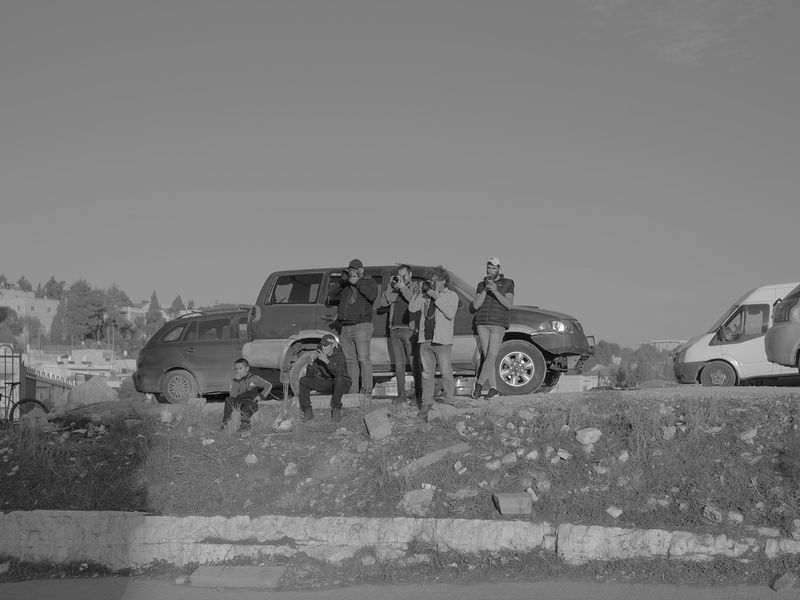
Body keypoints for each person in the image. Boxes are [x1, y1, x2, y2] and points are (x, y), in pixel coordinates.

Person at [409, 266, 459, 421]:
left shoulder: (451, 295)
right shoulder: (426, 295)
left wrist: (436, 296)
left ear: (444, 281)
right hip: (425, 340)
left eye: (435, 280)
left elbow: (450, 314)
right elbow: (412, 308)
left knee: (446, 371)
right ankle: (426, 404)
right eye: (430, 280)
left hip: (442, 340)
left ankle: (449, 400)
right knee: (427, 375)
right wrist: (419, 293)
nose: (432, 283)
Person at [331, 258, 378, 398]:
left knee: (363, 358)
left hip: (362, 325)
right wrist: (342, 281)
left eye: (355, 269)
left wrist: (357, 282)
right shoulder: (345, 286)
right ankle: (353, 393)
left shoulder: (369, 281)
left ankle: (366, 392)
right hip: (345, 327)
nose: (353, 271)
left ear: (361, 270)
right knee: (350, 362)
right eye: (350, 269)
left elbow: (372, 296)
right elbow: (331, 294)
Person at [471, 256, 515, 400]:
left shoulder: (508, 283)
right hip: (482, 323)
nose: (490, 270)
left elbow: (508, 305)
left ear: (499, 269)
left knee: (491, 355)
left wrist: (496, 291)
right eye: (488, 268)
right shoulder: (480, 284)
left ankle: (479, 384)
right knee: (487, 356)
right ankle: (494, 388)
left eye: (493, 268)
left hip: (498, 324)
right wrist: (485, 289)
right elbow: (476, 305)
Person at [377, 264, 421, 405]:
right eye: (399, 276)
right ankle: (401, 395)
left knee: (414, 363)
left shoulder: (415, 287)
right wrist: (391, 286)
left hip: (409, 329)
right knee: (399, 365)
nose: (402, 278)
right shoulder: (395, 288)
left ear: (410, 274)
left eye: (404, 275)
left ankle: (419, 395)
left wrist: (403, 287)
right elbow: (383, 302)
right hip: (394, 330)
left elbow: (415, 301)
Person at [298, 333, 351, 423]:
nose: (323, 347)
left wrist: (326, 361)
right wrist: (311, 362)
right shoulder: (320, 356)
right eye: (322, 345)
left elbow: (340, 373)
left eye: (326, 345)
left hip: (342, 384)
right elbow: (310, 377)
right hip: (329, 384)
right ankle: (308, 411)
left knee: (339, 378)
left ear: (332, 345)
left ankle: (336, 410)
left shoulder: (340, 355)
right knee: (303, 380)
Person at [220, 358, 272, 438]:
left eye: (241, 368)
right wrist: (236, 382)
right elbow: (233, 395)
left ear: (247, 369)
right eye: (236, 369)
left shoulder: (254, 378)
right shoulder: (234, 381)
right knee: (228, 400)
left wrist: (261, 396)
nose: (238, 371)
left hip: (251, 401)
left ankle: (245, 426)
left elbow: (268, 385)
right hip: (240, 400)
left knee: (247, 406)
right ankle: (225, 424)